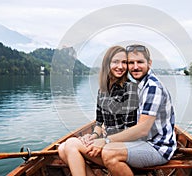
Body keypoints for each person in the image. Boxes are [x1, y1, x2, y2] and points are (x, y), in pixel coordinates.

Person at [86, 44, 177, 176]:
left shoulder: (152, 87)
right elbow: (101, 121)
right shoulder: (141, 85)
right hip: (143, 142)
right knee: (88, 149)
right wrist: (97, 135)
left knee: (109, 152)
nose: (135, 67)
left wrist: (106, 140)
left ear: (149, 63)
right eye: (130, 63)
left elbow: (142, 129)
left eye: (140, 62)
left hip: (158, 148)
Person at [58, 45, 138, 176]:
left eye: (124, 62)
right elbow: (99, 123)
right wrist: (93, 136)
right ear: (107, 64)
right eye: (116, 61)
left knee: (71, 144)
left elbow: (129, 131)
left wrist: (104, 142)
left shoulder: (130, 89)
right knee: (62, 149)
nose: (121, 66)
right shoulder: (102, 91)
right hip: (107, 143)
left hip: (123, 148)